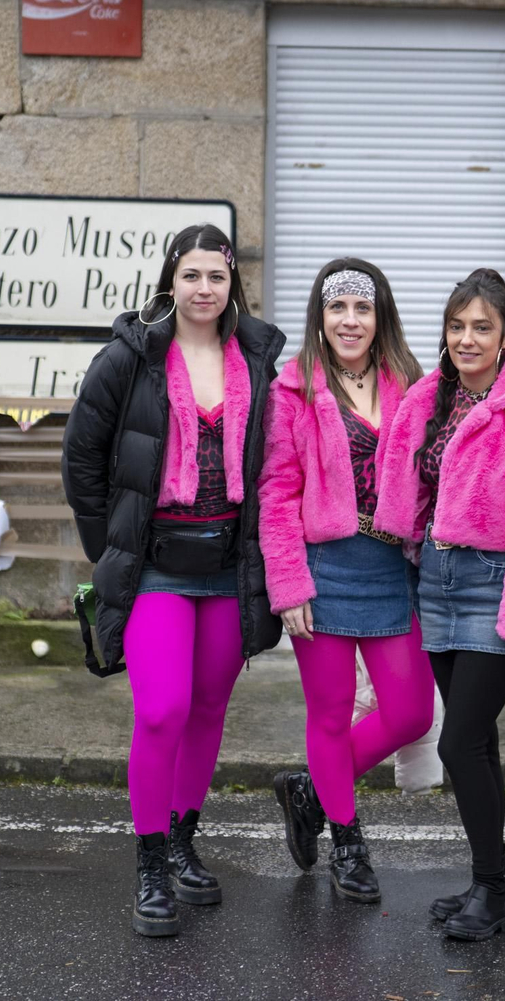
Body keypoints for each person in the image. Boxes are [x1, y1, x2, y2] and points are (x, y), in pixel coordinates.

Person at [62, 224, 284, 938]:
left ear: (231, 285)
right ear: (171, 281)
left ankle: (185, 838)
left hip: (226, 563)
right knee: (163, 708)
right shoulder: (130, 358)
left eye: (215, 277)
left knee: (209, 706)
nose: (203, 289)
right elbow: (82, 459)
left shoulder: (258, 356)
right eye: (190, 275)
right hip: (156, 559)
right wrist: (113, 551)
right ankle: (151, 862)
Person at [374, 269, 505, 942]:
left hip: (498, 582)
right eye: (457, 326)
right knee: (478, 739)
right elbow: (407, 489)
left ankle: (493, 884)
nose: (467, 338)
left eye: (482, 326)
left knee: (458, 740)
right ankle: (491, 889)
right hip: (438, 578)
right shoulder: (429, 398)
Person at [258, 259, 434, 903]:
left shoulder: (412, 385)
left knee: (411, 712)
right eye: (338, 309)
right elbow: (277, 493)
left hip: (392, 568)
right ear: (320, 317)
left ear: (380, 315)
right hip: (325, 569)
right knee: (330, 715)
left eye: (362, 309)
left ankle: (308, 787)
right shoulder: (293, 392)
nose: (350, 321)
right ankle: (347, 842)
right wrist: (289, 584)